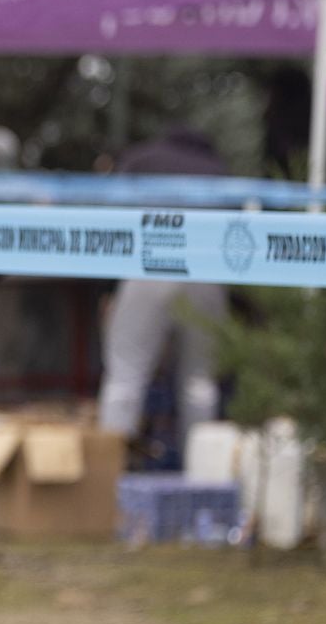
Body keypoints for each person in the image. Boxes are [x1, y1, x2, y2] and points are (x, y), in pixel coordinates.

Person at [96, 127, 229, 460]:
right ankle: (203, 471)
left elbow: (112, 225)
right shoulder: (218, 170)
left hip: (147, 268)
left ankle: (109, 469)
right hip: (205, 272)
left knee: (125, 376)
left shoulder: (140, 159)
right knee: (199, 383)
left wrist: (107, 290)